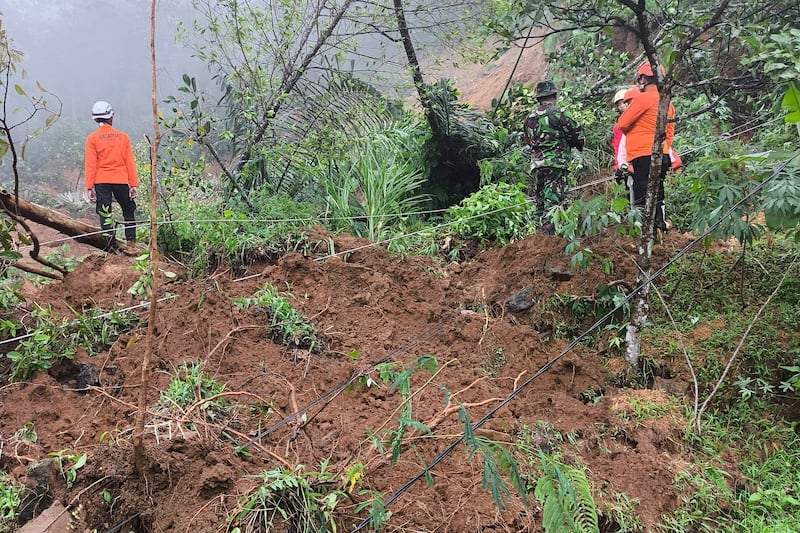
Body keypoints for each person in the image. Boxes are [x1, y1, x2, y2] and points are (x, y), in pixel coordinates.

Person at [615, 61, 675, 237]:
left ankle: (645, 234)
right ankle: (659, 226)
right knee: (658, 192)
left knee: (642, 196)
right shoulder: (666, 102)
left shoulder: (642, 99)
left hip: (642, 155)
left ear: (643, 78)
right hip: (661, 155)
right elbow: (670, 131)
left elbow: (623, 123)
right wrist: (664, 148)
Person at [523, 80, 584, 234]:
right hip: (556, 164)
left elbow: (528, 141)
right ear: (554, 95)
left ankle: (537, 236)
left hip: (537, 165)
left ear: (538, 98)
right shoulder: (559, 112)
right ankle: (547, 239)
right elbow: (575, 132)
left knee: (540, 201)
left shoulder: (529, 118)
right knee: (554, 202)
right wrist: (576, 145)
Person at [84, 100, 139, 254]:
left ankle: (111, 248)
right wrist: (133, 184)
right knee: (128, 211)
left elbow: (91, 165)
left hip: (101, 181)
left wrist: (89, 187)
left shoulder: (92, 139)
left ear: (95, 119)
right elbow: (130, 162)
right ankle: (131, 244)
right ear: (111, 117)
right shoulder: (123, 137)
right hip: (121, 180)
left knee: (105, 213)